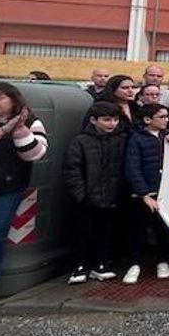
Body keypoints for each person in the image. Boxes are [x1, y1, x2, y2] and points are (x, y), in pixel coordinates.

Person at [0, 83, 50, 305]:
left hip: (7, 188)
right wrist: (1, 131)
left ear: (13, 100)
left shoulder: (31, 121)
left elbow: (35, 153)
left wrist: (19, 130)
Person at [63, 101, 127, 284]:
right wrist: (80, 195)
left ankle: (101, 263)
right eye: (106, 120)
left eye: (115, 119)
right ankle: (80, 266)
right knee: (82, 233)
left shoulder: (121, 139)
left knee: (106, 232)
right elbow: (71, 170)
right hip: (87, 198)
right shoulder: (80, 141)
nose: (111, 124)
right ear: (93, 120)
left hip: (112, 196)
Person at [123, 104, 169, 283]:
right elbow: (132, 167)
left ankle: (162, 261)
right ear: (148, 120)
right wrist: (143, 194)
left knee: (163, 230)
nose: (166, 120)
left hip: (166, 192)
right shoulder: (136, 139)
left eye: (166, 116)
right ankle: (134, 264)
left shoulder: (167, 136)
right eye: (161, 117)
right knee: (138, 230)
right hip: (145, 194)